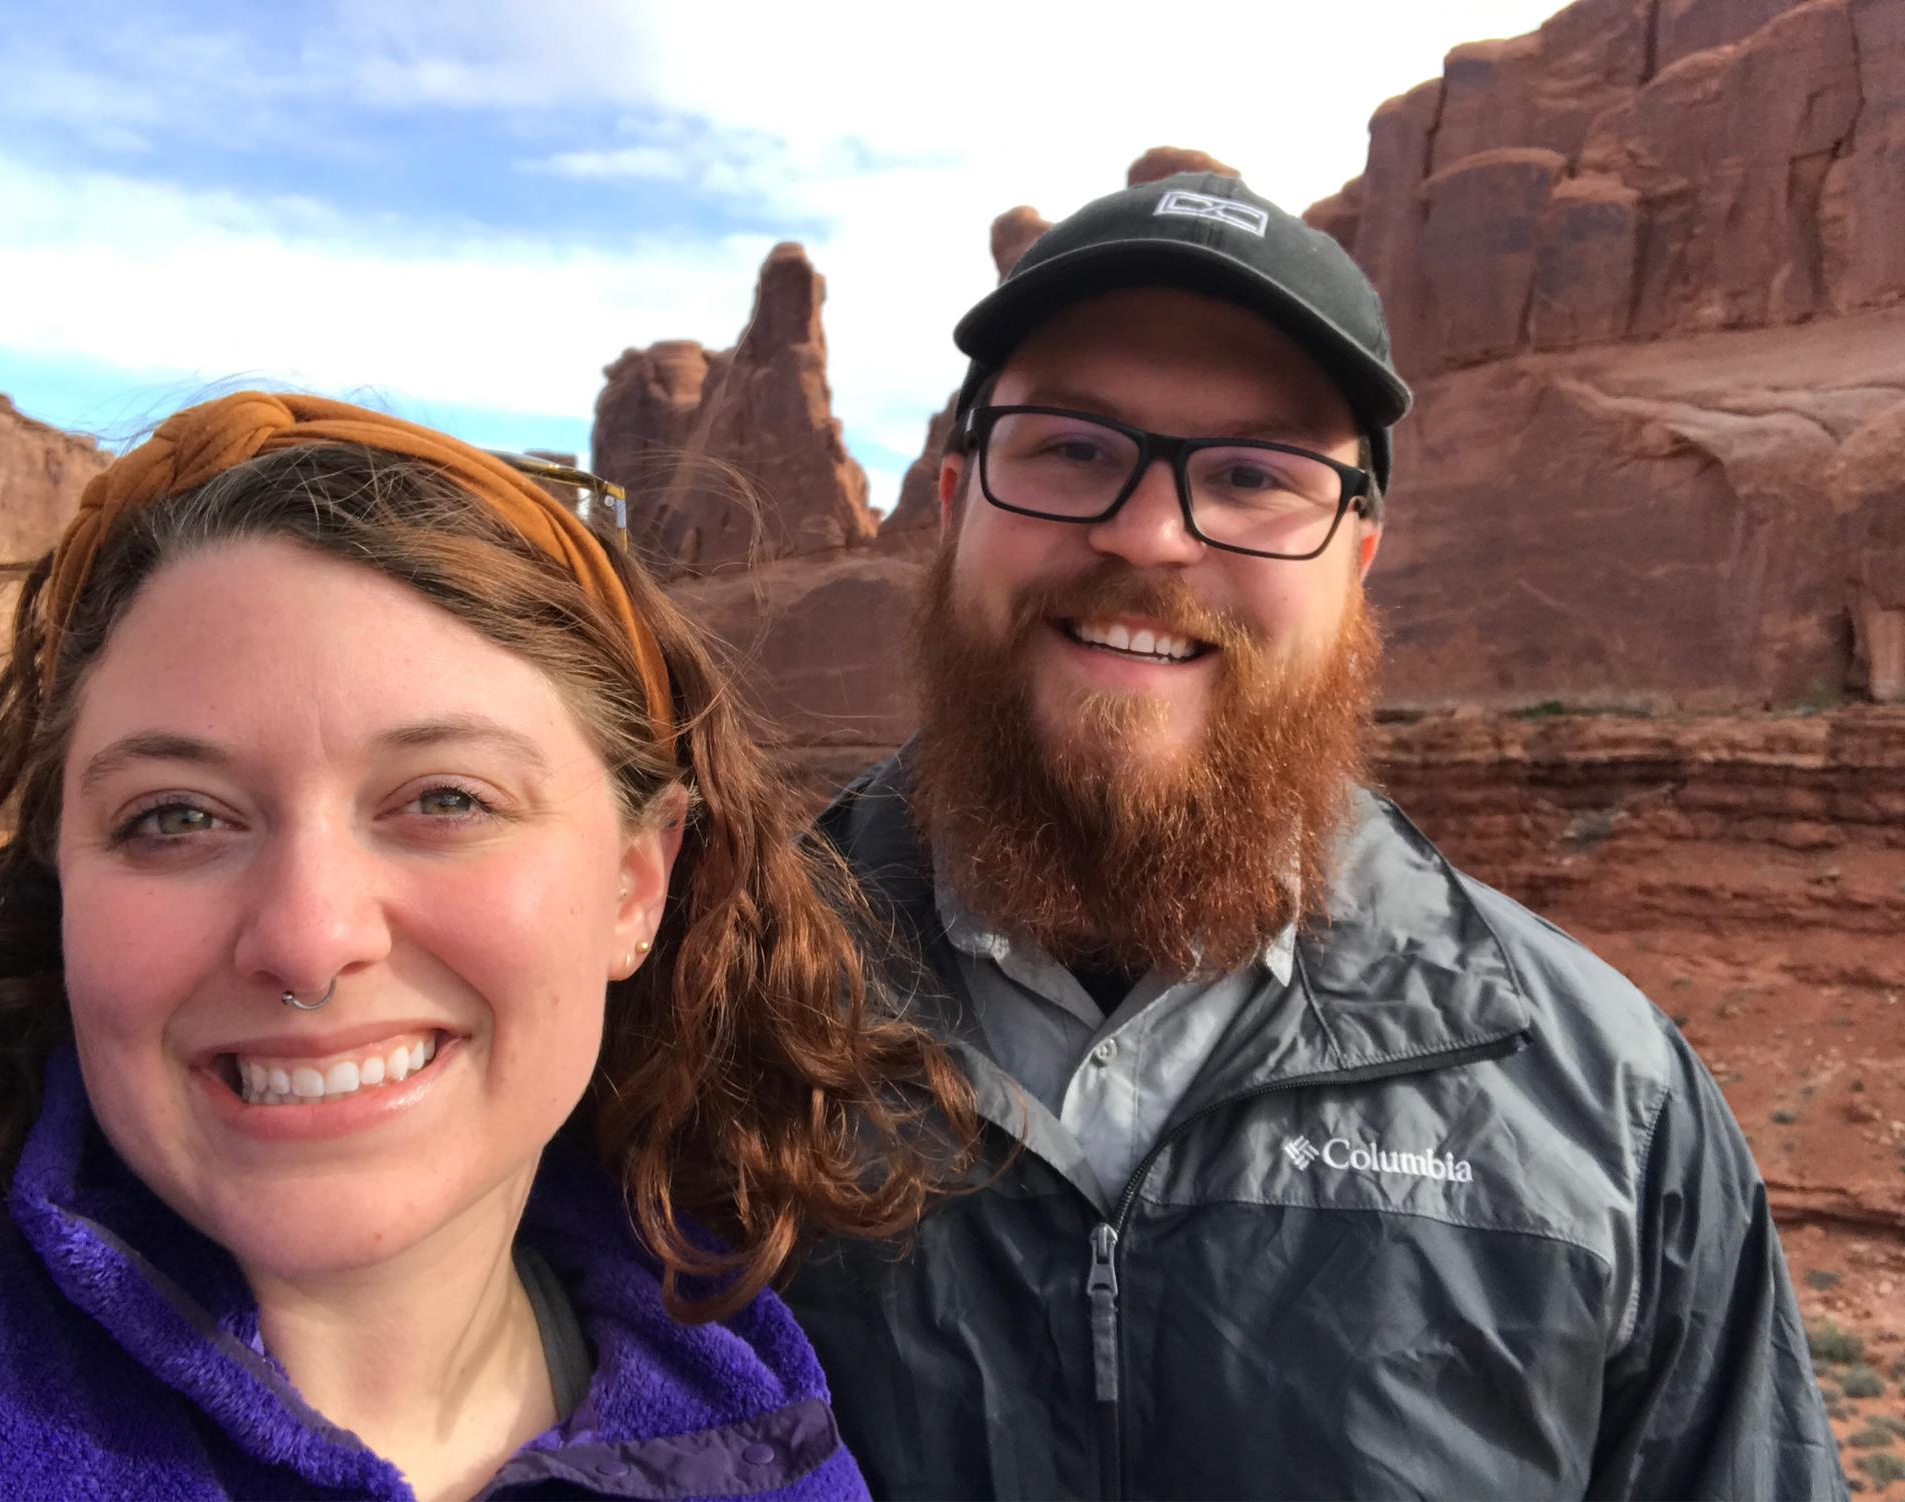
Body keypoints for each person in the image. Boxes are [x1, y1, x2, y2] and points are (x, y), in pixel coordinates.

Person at [781, 172, 1848, 1499]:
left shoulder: (1608, 1104)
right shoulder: (706, 1014)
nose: (1152, 531)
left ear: (1359, 557)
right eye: (1068, 447)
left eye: (1254, 475)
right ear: (953, 502)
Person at [0, 393, 970, 1501]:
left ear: (634, 883)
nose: (308, 939)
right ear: (61, 873)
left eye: (446, 799)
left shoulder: (767, 1448)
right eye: (176, 815)